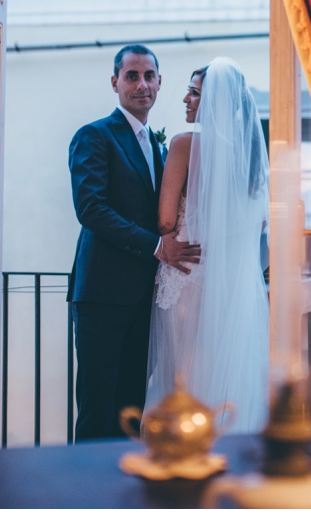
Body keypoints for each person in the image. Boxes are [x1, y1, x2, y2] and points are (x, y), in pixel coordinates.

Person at [67, 45, 200, 441]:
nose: (141, 85)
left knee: (132, 408)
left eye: (149, 76)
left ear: (159, 83)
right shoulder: (93, 136)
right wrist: (159, 247)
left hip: (146, 298)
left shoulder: (160, 147)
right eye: (132, 76)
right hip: (102, 297)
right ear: (115, 83)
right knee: (97, 406)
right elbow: (91, 209)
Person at [146, 58, 270, 433]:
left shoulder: (184, 146)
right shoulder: (249, 158)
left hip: (187, 275)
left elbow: (165, 220)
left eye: (195, 93)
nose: (185, 98)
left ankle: (181, 446)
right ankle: (221, 441)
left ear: (212, 101)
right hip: (229, 279)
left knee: (181, 374)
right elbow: (257, 225)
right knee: (220, 366)